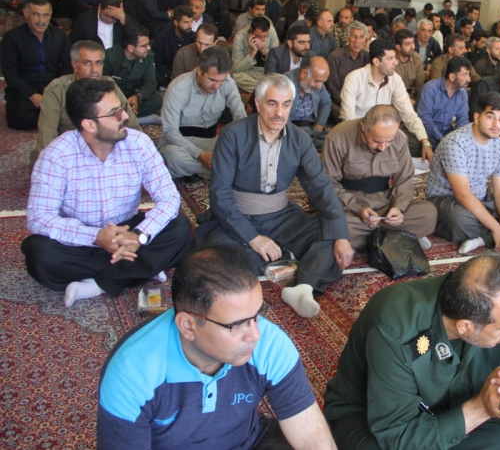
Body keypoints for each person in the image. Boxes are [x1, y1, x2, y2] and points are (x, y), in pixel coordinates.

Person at [97, 245, 336, 450]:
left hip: (247, 442)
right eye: (237, 325)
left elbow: (312, 439)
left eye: (257, 315)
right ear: (188, 326)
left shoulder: (270, 344)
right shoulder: (132, 372)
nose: (255, 334)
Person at [325, 252, 500, 450]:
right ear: (465, 327)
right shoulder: (396, 327)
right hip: (375, 420)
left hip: (451, 408)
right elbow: (396, 435)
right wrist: (479, 410)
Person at [193, 73, 353, 318]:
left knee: (331, 238)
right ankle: (284, 256)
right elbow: (220, 196)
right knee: (220, 259)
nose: (280, 113)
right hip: (237, 218)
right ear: (258, 104)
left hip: (281, 217)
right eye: (272, 103)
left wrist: (341, 235)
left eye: (286, 104)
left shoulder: (300, 139)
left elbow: (321, 187)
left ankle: (303, 287)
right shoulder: (233, 135)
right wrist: (252, 238)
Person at [22, 78, 191, 307]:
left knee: (179, 228)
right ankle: (142, 268)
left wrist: (139, 235)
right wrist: (95, 237)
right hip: (83, 237)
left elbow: (169, 198)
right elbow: (39, 218)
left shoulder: (139, 143)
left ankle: (97, 284)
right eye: (114, 113)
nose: (124, 116)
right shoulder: (56, 156)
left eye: (121, 108)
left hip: (130, 228)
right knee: (40, 254)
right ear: (89, 125)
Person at [426, 92, 500, 255]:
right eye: (490, 117)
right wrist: (496, 226)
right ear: (477, 117)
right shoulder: (455, 143)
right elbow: (462, 195)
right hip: (448, 200)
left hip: (481, 197)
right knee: (459, 220)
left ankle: (481, 239)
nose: (496, 124)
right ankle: (493, 230)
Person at [322, 105, 437, 251]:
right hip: (348, 203)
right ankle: (401, 235)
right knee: (331, 222)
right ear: (363, 127)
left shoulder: (400, 138)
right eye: (377, 141)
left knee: (428, 213)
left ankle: (364, 239)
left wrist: (398, 208)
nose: (383, 148)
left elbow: (404, 180)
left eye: (389, 141)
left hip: (384, 202)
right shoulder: (338, 137)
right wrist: (357, 209)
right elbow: (328, 183)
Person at [34, 40, 141, 165]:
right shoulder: (57, 90)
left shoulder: (109, 86)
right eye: (87, 63)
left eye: (99, 63)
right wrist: (50, 164)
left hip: (105, 149)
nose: (94, 69)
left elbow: (131, 124)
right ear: (74, 65)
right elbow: (47, 133)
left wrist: (140, 152)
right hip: (69, 152)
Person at [158, 46, 246, 180]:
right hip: (181, 142)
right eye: (212, 80)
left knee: (242, 149)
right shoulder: (178, 88)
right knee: (172, 156)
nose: (217, 86)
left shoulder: (227, 83)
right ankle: (224, 171)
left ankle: (198, 170)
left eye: (221, 81)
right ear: (199, 71)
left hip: (211, 142)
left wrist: (244, 143)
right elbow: (170, 132)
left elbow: (241, 117)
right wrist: (199, 154)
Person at [340, 39, 434, 163]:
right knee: (345, 146)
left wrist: (425, 142)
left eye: (394, 57)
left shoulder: (395, 79)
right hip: (361, 133)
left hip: (386, 133)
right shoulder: (354, 78)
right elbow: (348, 117)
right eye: (390, 58)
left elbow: (408, 114)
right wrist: (365, 139)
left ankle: (382, 157)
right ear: (376, 61)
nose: (396, 62)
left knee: (416, 143)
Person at [1, 0, 72, 130]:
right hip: (24, 86)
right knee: (22, 118)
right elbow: (10, 73)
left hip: (53, 84)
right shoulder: (11, 37)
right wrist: (33, 96)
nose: (41, 21)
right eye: (36, 15)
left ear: (50, 14)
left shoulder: (60, 36)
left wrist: (53, 90)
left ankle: (49, 115)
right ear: (25, 13)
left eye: (45, 15)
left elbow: (68, 66)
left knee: (73, 112)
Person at [103, 23, 161, 124]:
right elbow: (102, 87)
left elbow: (150, 83)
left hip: (131, 96)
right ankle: (132, 117)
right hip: (113, 97)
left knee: (156, 100)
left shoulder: (148, 56)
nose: (148, 48)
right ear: (130, 48)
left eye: (148, 44)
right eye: (144, 46)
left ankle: (122, 117)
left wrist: (137, 97)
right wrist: (120, 103)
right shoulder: (109, 57)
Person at [416, 57, 471, 150]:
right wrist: (441, 139)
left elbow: (463, 120)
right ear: (452, 77)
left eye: (468, 74)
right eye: (465, 75)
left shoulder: (462, 93)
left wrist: (458, 140)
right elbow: (425, 118)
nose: (469, 79)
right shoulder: (430, 88)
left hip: (446, 134)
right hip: (425, 133)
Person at [285, 56, 332, 147]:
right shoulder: (285, 84)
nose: (320, 87)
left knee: (333, 143)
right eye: (317, 81)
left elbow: (326, 103)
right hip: (291, 128)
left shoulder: (318, 82)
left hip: (312, 127)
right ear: (304, 73)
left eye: (322, 82)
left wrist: (319, 124)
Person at [326, 21, 369, 119]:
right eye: (354, 36)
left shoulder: (368, 58)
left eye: (361, 37)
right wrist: (349, 103)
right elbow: (333, 88)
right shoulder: (335, 57)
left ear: (365, 39)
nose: (357, 41)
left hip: (362, 103)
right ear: (347, 38)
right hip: (340, 102)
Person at [152, 4, 196, 88]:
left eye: (191, 22)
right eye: (186, 22)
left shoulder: (193, 37)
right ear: (176, 22)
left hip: (187, 77)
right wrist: (171, 74)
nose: (190, 26)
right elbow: (156, 62)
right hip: (167, 77)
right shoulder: (162, 37)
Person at [231, 16, 273, 92]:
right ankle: (268, 89)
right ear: (251, 30)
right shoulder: (240, 37)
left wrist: (264, 50)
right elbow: (237, 68)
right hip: (249, 72)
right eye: (258, 36)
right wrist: (253, 52)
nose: (262, 39)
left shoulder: (271, 31)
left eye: (265, 36)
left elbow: (277, 57)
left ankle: (263, 88)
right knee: (235, 77)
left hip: (267, 71)